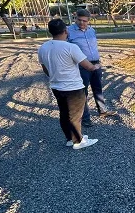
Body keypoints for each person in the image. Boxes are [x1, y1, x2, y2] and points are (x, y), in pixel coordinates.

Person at [38, 19, 99, 150]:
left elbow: (44, 68)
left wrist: (55, 76)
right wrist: (96, 66)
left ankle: (70, 139)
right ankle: (78, 141)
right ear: (66, 31)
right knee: (75, 115)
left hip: (56, 86)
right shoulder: (71, 47)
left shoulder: (43, 48)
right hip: (73, 88)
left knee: (64, 113)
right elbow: (88, 66)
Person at [67, 9, 116, 127]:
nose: (82, 23)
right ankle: (85, 118)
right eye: (79, 20)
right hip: (81, 65)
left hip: (96, 64)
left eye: (85, 21)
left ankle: (102, 110)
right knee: (83, 92)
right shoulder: (68, 31)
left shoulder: (91, 31)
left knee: (98, 88)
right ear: (75, 18)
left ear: (89, 21)